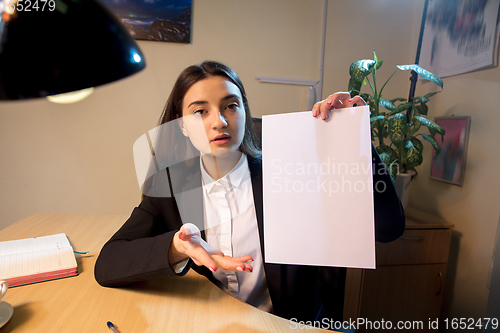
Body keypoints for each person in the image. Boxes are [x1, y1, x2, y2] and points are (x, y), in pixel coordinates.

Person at [94, 60, 405, 323]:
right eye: (200, 111)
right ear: (182, 126)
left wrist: (355, 142)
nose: (219, 121)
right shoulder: (170, 188)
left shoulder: (289, 174)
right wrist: (177, 247)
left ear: (244, 111)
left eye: (230, 105)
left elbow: (390, 228)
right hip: (210, 324)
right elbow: (108, 263)